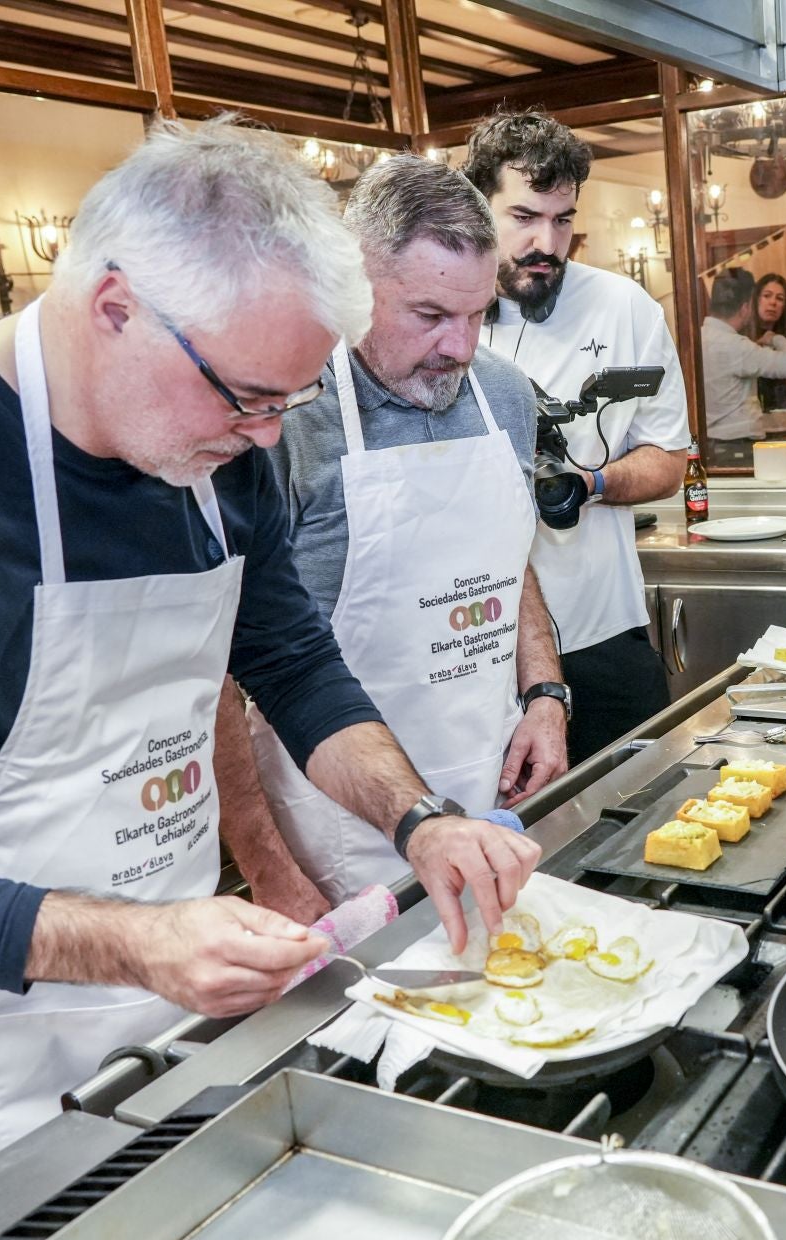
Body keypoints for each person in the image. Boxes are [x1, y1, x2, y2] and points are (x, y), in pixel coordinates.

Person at [0, 118, 540, 1220]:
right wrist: (138, 937)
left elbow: (291, 659)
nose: (263, 438)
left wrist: (420, 819)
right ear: (115, 306)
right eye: (247, 396)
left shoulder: (216, 453)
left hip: (171, 993)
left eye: (288, 405)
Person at [212, 154, 566, 917]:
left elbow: (511, 559)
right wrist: (268, 870)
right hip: (339, 828)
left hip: (490, 787)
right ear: (353, 284)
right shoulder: (286, 421)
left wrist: (543, 693)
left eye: (478, 314)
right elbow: (213, 669)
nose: (461, 347)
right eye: (431, 316)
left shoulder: (502, 395)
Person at [464, 110, 688, 766]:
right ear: (479, 207)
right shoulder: (443, 314)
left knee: (640, 819)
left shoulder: (626, 310)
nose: (548, 242)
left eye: (562, 220)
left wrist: (592, 484)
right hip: (479, 655)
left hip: (603, 635)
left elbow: (668, 461)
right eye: (525, 217)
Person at [700, 266, 786, 466]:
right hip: (737, 445)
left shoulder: (696, 339)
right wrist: (776, 339)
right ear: (746, 307)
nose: (772, 302)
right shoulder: (738, 346)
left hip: (709, 442)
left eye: (779, 298)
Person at [752, 271, 786, 425]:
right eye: (767, 295)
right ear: (757, 299)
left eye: (780, 298)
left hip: (780, 422)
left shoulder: (785, 341)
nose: (773, 303)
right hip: (750, 424)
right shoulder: (742, 337)